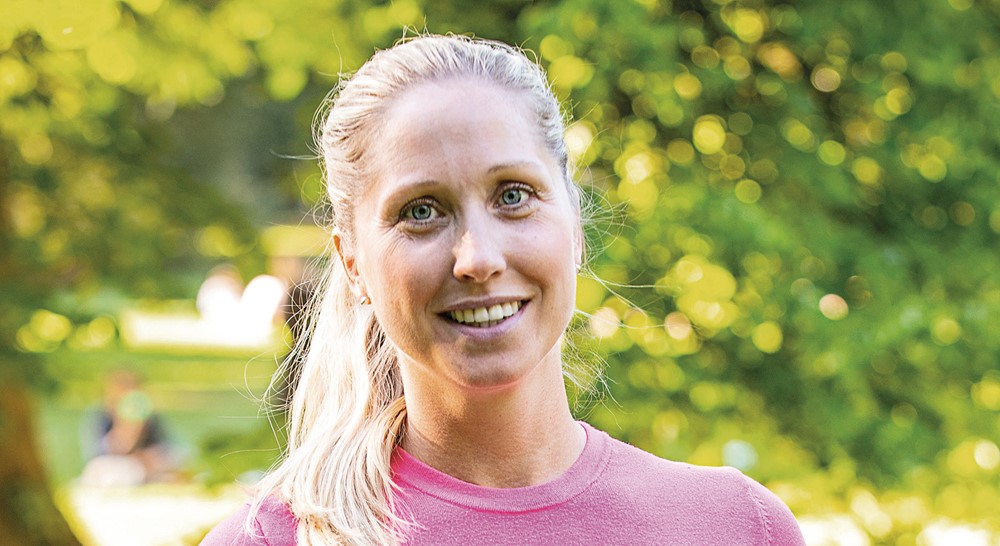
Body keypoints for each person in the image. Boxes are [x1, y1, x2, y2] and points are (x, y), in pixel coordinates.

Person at [202, 34, 806, 546]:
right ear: (352, 262)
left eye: (513, 196)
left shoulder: (736, 527)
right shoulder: (273, 540)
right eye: (421, 211)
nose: (478, 259)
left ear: (574, 222)